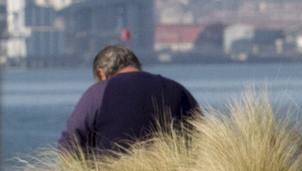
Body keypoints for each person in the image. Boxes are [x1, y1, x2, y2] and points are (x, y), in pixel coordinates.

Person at [58, 45, 200, 155]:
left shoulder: (98, 92)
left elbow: (69, 144)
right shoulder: (176, 89)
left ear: (101, 73)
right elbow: (199, 135)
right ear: (137, 65)